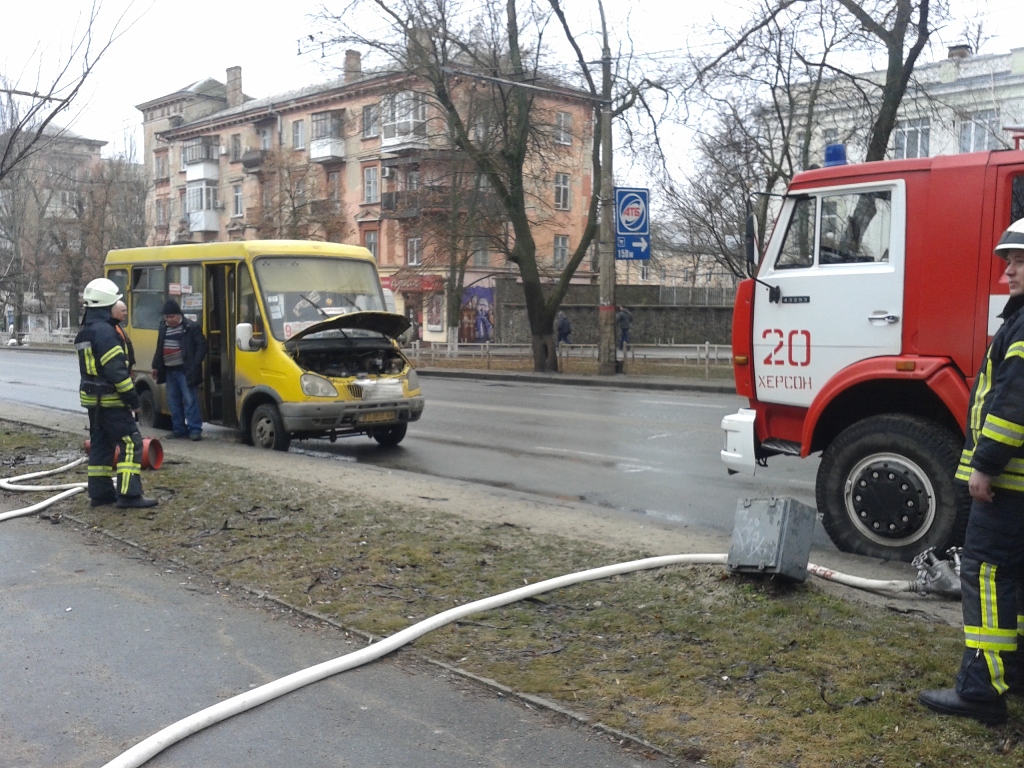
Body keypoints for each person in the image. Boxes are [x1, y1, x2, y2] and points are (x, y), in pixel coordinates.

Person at [919, 219, 1024, 726]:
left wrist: (985, 464)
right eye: (1010, 261)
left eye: (1021, 262)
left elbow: (1011, 405)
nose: (1009, 271)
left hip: (1008, 487)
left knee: (985, 576)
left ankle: (981, 690)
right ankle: (1014, 672)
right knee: (1016, 580)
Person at [75, 278, 157, 509]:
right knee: (131, 443)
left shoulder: (86, 331)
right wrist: (133, 401)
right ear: (106, 306)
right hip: (111, 399)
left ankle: (100, 494)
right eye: (117, 302)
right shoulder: (106, 333)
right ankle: (130, 495)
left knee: (101, 444)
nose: (121, 305)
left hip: (93, 399)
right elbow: (117, 373)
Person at [151, 299, 207, 441]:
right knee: (173, 402)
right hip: (170, 371)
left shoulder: (190, 327)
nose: (169, 320)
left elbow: (202, 346)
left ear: (179, 315)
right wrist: (155, 366)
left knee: (190, 400)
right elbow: (159, 347)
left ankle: (195, 430)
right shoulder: (163, 327)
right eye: (167, 317)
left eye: (172, 317)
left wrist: (195, 364)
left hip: (185, 371)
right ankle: (179, 429)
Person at [110, 300, 136, 378]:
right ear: (114, 312)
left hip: (125, 368)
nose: (126, 313)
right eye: (123, 311)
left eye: (126, 310)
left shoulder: (118, 327)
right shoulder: (112, 329)